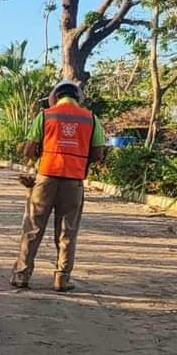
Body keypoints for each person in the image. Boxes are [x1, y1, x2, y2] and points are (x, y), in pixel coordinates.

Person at [11, 80, 107, 292]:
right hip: (73, 181)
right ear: (78, 97)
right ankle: (62, 278)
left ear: (55, 97)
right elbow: (99, 153)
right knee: (67, 231)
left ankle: (21, 275)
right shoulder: (91, 119)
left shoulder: (46, 115)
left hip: (46, 178)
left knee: (33, 227)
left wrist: (40, 154)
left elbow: (28, 149)